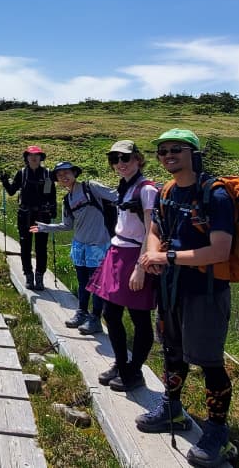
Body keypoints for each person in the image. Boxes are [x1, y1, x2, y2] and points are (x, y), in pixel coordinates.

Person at [136, 129, 237, 467]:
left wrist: (166, 259)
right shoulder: (167, 191)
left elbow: (220, 251)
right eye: (162, 151)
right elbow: (154, 230)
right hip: (171, 289)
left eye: (176, 150)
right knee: (172, 352)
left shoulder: (215, 195)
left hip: (206, 292)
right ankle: (173, 408)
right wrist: (152, 255)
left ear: (194, 154)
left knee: (209, 362)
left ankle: (217, 432)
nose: (167, 156)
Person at [85, 140, 157, 392]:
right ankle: (121, 363)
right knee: (111, 314)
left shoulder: (146, 190)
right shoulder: (125, 187)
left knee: (139, 317)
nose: (120, 164)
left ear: (138, 159)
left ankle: (134, 370)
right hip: (117, 252)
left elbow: (151, 229)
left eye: (125, 158)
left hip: (135, 255)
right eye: (115, 160)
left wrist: (140, 266)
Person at [30, 161, 118, 334]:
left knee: (97, 284)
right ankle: (82, 313)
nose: (63, 177)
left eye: (66, 173)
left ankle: (95, 319)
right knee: (83, 282)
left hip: (98, 245)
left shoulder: (90, 187)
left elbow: (116, 195)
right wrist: (45, 227)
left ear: (74, 173)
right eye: (59, 175)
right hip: (79, 246)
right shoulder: (66, 200)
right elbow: (67, 225)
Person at [1, 146, 57, 290]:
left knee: (41, 248)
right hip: (25, 215)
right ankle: (28, 276)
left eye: (36, 155)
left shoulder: (47, 174)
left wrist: (53, 210)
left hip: (42, 216)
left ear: (41, 158)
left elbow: (52, 195)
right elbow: (12, 191)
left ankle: (39, 277)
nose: (34, 157)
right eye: (31, 155)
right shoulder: (22, 173)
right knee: (25, 247)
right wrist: (5, 181)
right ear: (26, 157)